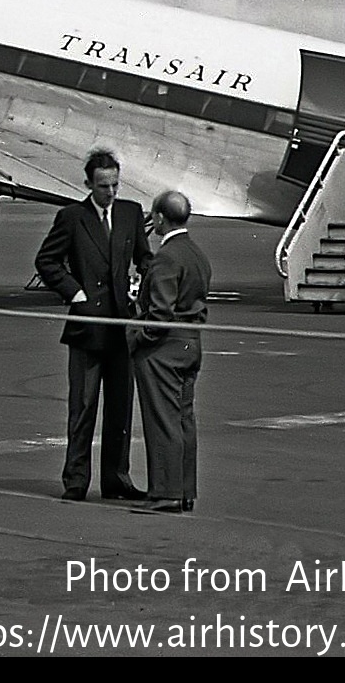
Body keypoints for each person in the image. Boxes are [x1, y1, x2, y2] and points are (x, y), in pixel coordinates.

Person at [34, 149, 152, 502]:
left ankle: (117, 479)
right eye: (103, 187)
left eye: (115, 185)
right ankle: (76, 480)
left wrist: (144, 280)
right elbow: (47, 260)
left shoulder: (131, 213)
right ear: (89, 184)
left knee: (120, 409)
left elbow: (143, 256)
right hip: (87, 327)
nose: (111, 192)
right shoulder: (72, 217)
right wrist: (75, 292)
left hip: (121, 325)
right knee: (82, 408)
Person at [130, 191, 211, 514]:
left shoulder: (167, 256)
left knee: (162, 420)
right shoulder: (196, 253)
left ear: (160, 218)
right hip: (192, 342)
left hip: (165, 349)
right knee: (183, 420)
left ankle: (165, 491)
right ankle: (184, 489)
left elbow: (160, 313)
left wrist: (137, 337)